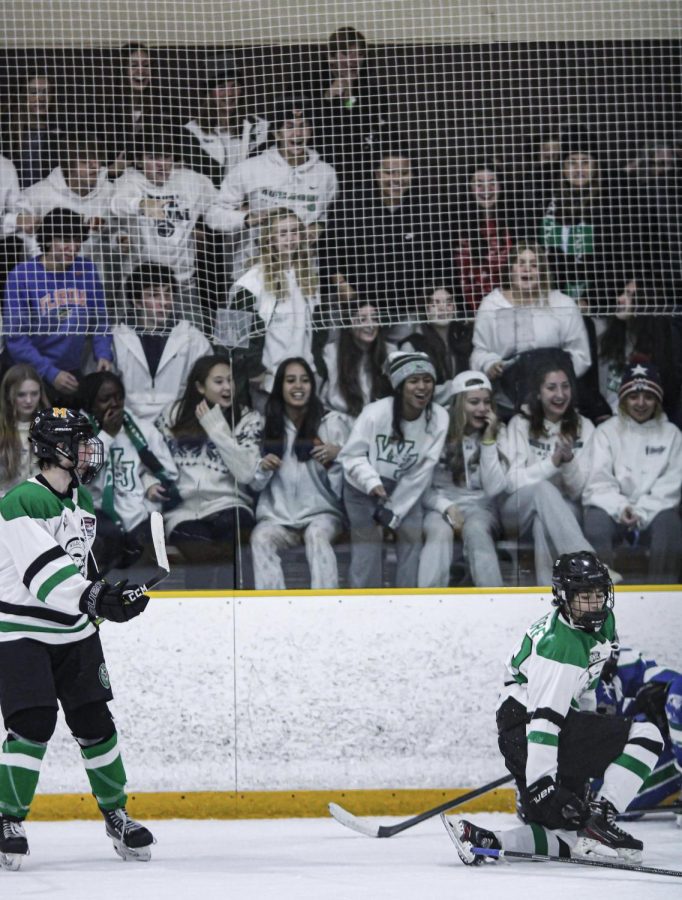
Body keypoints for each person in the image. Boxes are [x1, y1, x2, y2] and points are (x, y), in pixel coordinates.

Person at [0, 407, 154, 869]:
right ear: (55, 449)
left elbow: (80, 570)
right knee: (33, 724)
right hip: (20, 631)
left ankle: (117, 815)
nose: (90, 449)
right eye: (81, 441)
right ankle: (7, 817)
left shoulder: (81, 502)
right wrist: (94, 597)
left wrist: (111, 603)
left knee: (95, 723)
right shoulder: (20, 502)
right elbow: (43, 577)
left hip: (73, 633)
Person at [446, 552, 664, 867]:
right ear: (563, 597)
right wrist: (541, 784)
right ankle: (600, 821)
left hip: (532, 727)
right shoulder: (558, 647)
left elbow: (586, 686)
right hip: (527, 728)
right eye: (584, 597)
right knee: (647, 735)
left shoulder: (602, 623)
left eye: (599, 595)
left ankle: (484, 841)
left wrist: (584, 763)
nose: (594, 604)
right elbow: (543, 722)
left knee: (566, 833)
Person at [339, 350, 448, 588]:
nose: (422, 387)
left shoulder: (440, 418)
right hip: (361, 488)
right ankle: (364, 608)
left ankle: (406, 608)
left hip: (405, 489)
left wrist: (394, 510)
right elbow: (351, 456)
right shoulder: (375, 413)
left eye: (427, 380)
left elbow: (421, 473)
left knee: (411, 541)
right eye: (413, 381)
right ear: (400, 385)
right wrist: (372, 483)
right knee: (368, 549)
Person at [156, 354, 262, 589]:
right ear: (200, 387)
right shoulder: (172, 415)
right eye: (218, 381)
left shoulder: (248, 419)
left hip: (230, 505)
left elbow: (246, 474)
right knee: (201, 555)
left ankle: (233, 614)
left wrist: (216, 428)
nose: (227, 387)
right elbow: (152, 461)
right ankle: (201, 620)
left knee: (232, 551)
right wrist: (149, 483)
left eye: (230, 380)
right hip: (184, 512)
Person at [205, 99, 337, 280]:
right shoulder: (250, 168)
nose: (297, 133)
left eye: (303, 125)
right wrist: (247, 219)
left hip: (303, 272)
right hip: (253, 269)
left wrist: (318, 227)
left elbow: (329, 215)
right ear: (276, 133)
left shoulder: (326, 173)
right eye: (289, 126)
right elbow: (213, 215)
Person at [249, 357, 346, 590]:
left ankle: (324, 608)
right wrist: (262, 468)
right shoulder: (265, 425)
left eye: (304, 381)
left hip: (322, 515)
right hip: (278, 517)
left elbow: (348, 481)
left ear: (313, 387)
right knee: (260, 538)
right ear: (280, 386)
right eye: (290, 381)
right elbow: (253, 484)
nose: (298, 387)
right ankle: (274, 611)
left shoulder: (330, 422)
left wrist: (337, 456)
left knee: (317, 536)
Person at [110, 123, 218, 330]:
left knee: (190, 345)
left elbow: (217, 209)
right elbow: (117, 205)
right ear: (140, 160)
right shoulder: (129, 181)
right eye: (153, 158)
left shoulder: (192, 180)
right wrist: (141, 204)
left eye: (166, 157)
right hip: (140, 289)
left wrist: (243, 215)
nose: (161, 164)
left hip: (183, 286)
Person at [582, 363, 682, 584]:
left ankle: (662, 598)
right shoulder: (606, 432)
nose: (641, 403)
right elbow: (598, 483)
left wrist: (642, 511)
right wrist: (622, 508)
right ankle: (600, 596)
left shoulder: (672, 434)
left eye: (648, 396)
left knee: (670, 525)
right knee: (595, 523)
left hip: (654, 510)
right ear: (623, 399)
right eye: (634, 396)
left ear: (657, 400)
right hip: (613, 508)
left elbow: (671, 486)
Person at [502, 355, 597, 586]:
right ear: (537, 392)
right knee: (542, 490)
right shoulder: (520, 424)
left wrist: (568, 462)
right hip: (516, 511)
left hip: (564, 512)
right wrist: (552, 463)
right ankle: (588, 566)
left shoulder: (585, 426)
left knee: (541, 523)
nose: (560, 395)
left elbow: (578, 492)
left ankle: (548, 592)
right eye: (551, 388)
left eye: (565, 387)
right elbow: (512, 482)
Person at [3, 208, 113, 404]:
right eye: (64, 240)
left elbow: (100, 319)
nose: (73, 247)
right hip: (28, 371)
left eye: (77, 239)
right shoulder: (21, 276)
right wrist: (50, 373)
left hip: (70, 370)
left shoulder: (87, 270)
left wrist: (103, 354)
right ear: (46, 240)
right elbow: (16, 339)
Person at [470, 243, 591, 418]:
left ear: (542, 271)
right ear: (510, 269)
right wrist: (489, 364)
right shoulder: (491, 305)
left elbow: (581, 354)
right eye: (521, 263)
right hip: (506, 403)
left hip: (554, 402)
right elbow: (479, 351)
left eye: (534, 265)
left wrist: (555, 383)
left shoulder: (563, 304)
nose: (527, 269)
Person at [78, 372, 179, 574]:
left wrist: (149, 481)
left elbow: (169, 473)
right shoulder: (78, 430)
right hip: (96, 515)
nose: (114, 404)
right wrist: (106, 435)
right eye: (105, 399)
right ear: (90, 403)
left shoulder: (143, 430)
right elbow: (79, 477)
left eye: (119, 397)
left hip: (139, 515)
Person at [220, 208, 321, 411]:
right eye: (282, 233)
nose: (290, 239)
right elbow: (228, 340)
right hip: (268, 386)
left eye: (294, 232)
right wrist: (255, 372)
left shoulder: (308, 278)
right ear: (269, 239)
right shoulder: (249, 282)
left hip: (305, 382)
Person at [419, 370, 507, 587]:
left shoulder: (499, 432)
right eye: (474, 402)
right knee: (438, 532)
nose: (482, 408)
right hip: (440, 507)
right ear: (458, 404)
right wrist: (446, 507)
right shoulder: (435, 432)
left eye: (487, 402)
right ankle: (428, 605)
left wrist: (488, 441)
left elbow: (495, 489)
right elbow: (420, 487)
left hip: (481, 508)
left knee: (476, 530)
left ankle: (493, 601)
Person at [112, 263, 211, 425]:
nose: (164, 302)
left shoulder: (193, 338)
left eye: (168, 294)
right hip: (128, 427)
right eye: (154, 295)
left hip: (178, 425)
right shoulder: (116, 338)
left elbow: (206, 388)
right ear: (136, 302)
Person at [596, 645, 681, 817]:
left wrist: (661, 687)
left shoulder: (624, 663)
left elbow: (678, 687)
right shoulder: (561, 675)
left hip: (662, 744)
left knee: (677, 699)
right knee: (608, 802)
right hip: (607, 771)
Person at [319, 300, 394, 435]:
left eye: (375, 319)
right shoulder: (332, 353)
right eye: (363, 319)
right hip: (341, 427)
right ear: (350, 323)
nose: (370, 325)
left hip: (378, 427)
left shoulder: (390, 352)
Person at [454, 160, 514, 314]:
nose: (486, 189)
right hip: (471, 312)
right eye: (479, 184)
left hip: (512, 308)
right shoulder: (456, 225)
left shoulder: (515, 222)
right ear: (469, 189)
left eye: (492, 183)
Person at [399, 286, 473, 406]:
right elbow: (412, 392)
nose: (442, 308)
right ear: (426, 309)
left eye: (448, 303)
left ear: (455, 308)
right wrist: (456, 386)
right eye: (435, 303)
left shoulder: (464, 339)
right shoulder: (412, 346)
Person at [0, 364, 49, 497]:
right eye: (21, 394)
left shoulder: (50, 427)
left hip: (40, 505)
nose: (29, 400)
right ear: (8, 395)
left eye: (34, 394)